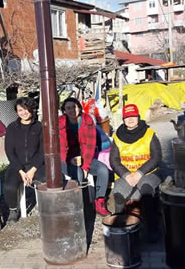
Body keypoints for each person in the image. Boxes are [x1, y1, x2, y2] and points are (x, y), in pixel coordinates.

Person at [110, 104, 162, 241]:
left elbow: (156, 157)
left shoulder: (149, 133)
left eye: (133, 116)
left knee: (146, 191)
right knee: (119, 194)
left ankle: (152, 229)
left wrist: (139, 173)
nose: (130, 119)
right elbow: (114, 160)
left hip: (147, 173)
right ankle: (121, 228)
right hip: (126, 175)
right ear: (123, 119)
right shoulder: (117, 136)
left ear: (138, 117)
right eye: (127, 117)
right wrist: (127, 175)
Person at [59, 97, 111, 216]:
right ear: (64, 111)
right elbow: (62, 147)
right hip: (66, 158)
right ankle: (79, 204)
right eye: (68, 108)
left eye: (74, 107)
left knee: (103, 170)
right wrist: (69, 160)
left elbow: (90, 145)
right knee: (78, 174)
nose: (72, 110)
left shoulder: (87, 120)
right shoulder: (60, 123)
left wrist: (86, 166)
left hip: (84, 156)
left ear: (79, 107)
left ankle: (99, 201)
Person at [3, 97, 45, 224]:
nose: (24, 112)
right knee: (9, 186)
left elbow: (42, 150)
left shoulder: (39, 127)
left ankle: (47, 206)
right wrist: (21, 171)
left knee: (49, 180)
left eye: (26, 109)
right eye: (20, 110)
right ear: (17, 112)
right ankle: (13, 209)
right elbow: (9, 152)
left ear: (32, 109)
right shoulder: (11, 128)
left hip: (36, 165)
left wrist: (32, 170)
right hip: (17, 166)